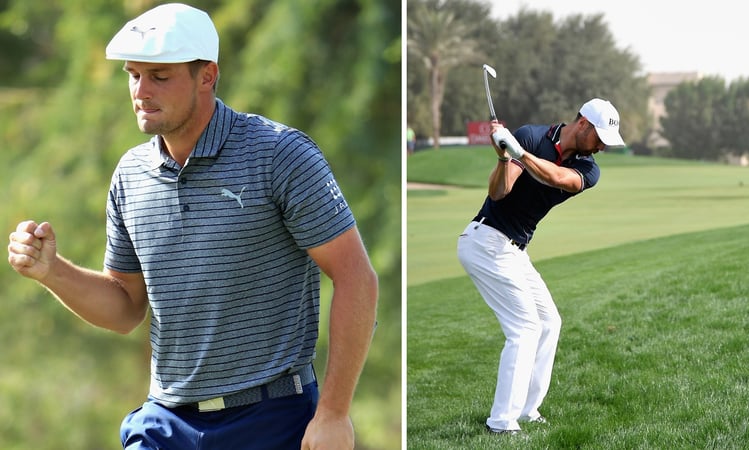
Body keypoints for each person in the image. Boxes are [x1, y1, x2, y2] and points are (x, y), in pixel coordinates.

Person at [7, 4, 378, 449]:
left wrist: (334, 413)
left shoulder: (280, 155)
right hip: (166, 423)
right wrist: (53, 272)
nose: (141, 91)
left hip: (272, 420)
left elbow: (356, 277)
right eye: (133, 75)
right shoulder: (130, 175)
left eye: (159, 77)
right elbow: (126, 307)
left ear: (207, 76)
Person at [456, 98, 624, 434]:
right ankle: (502, 423)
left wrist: (518, 152)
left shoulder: (589, 169)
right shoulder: (532, 136)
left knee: (550, 322)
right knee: (525, 328)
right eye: (600, 138)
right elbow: (499, 192)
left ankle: (528, 410)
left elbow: (560, 178)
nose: (603, 147)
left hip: (516, 250)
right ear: (583, 124)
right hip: (486, 240)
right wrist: (505, 157)